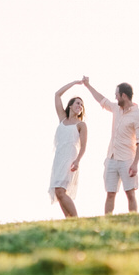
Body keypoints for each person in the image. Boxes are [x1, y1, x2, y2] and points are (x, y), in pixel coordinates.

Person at [81, 76, 139, 214]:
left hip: (127, 160)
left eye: (117, 95)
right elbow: (101, 99)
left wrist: (135, 164)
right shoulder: (116, 108)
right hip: (111, 158)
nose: (115, 98)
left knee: (130, 194)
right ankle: (107, 222)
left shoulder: (138, 116)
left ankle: (133, 221)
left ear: (123, 95)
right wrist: (88, 85)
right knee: (110, 194)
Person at [49, 80, 88, 218]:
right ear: (70, 106)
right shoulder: (62, 119)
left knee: (61, 190)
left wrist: (77, 161)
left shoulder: (81, 125)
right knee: (58, 192)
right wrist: (75, 83)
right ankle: (69, 220)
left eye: (82, 105)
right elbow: (57, 95)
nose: (80, 106)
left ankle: (76, 218)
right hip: (59, 157)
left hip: (70, 158)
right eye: (78, 103)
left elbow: (83, 146)